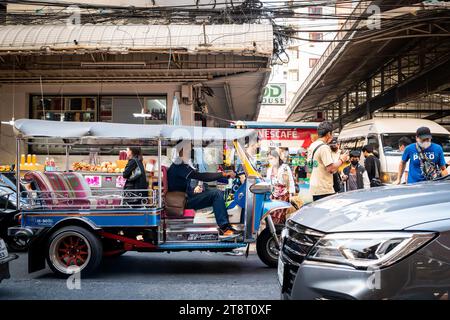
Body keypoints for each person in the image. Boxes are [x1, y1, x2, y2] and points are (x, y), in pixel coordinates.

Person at [168, 143, 238, 239]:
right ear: (183, 151)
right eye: (189, 149)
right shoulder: (179, 165)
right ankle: (224, 228)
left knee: (212, 191)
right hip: (183, 202)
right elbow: (201, 176)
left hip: (186, 197)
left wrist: (193, 189)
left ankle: (225, 225)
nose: (191, 152)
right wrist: (223, 174)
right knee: (216, 194)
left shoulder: (180, 164)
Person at [307, 121, 349, 201]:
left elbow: (310, 166)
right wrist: (342, 159)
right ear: (329, 134)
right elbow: (331, 169)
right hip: (324, 188)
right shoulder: (324, 147)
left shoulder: (313, 145)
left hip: (315, 187)